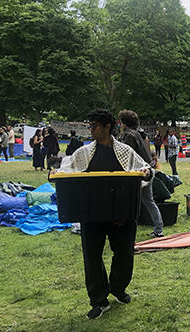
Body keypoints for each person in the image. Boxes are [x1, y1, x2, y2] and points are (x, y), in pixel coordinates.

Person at [63, 109, 152, 319]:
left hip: (121, 213)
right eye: (90, 126)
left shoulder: (124, 151)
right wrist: (58, 173)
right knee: (92, 258)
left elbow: (144, 168)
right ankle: (99, 300)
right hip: (91, 213)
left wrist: (148, 172)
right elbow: (68, 167)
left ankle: (118, 288)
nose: (91, 129)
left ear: (107, 127)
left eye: (94, 126)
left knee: (125, 254)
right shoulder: (84, 153)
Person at [119, 110, 164, 238]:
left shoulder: (129, 136)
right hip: (147, 171)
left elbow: (127, 156)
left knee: (129, 202)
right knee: (149, 201)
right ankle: (158, 229)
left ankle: (126, 229)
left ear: (124, 123)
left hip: (136, 173)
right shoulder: (142, 134)